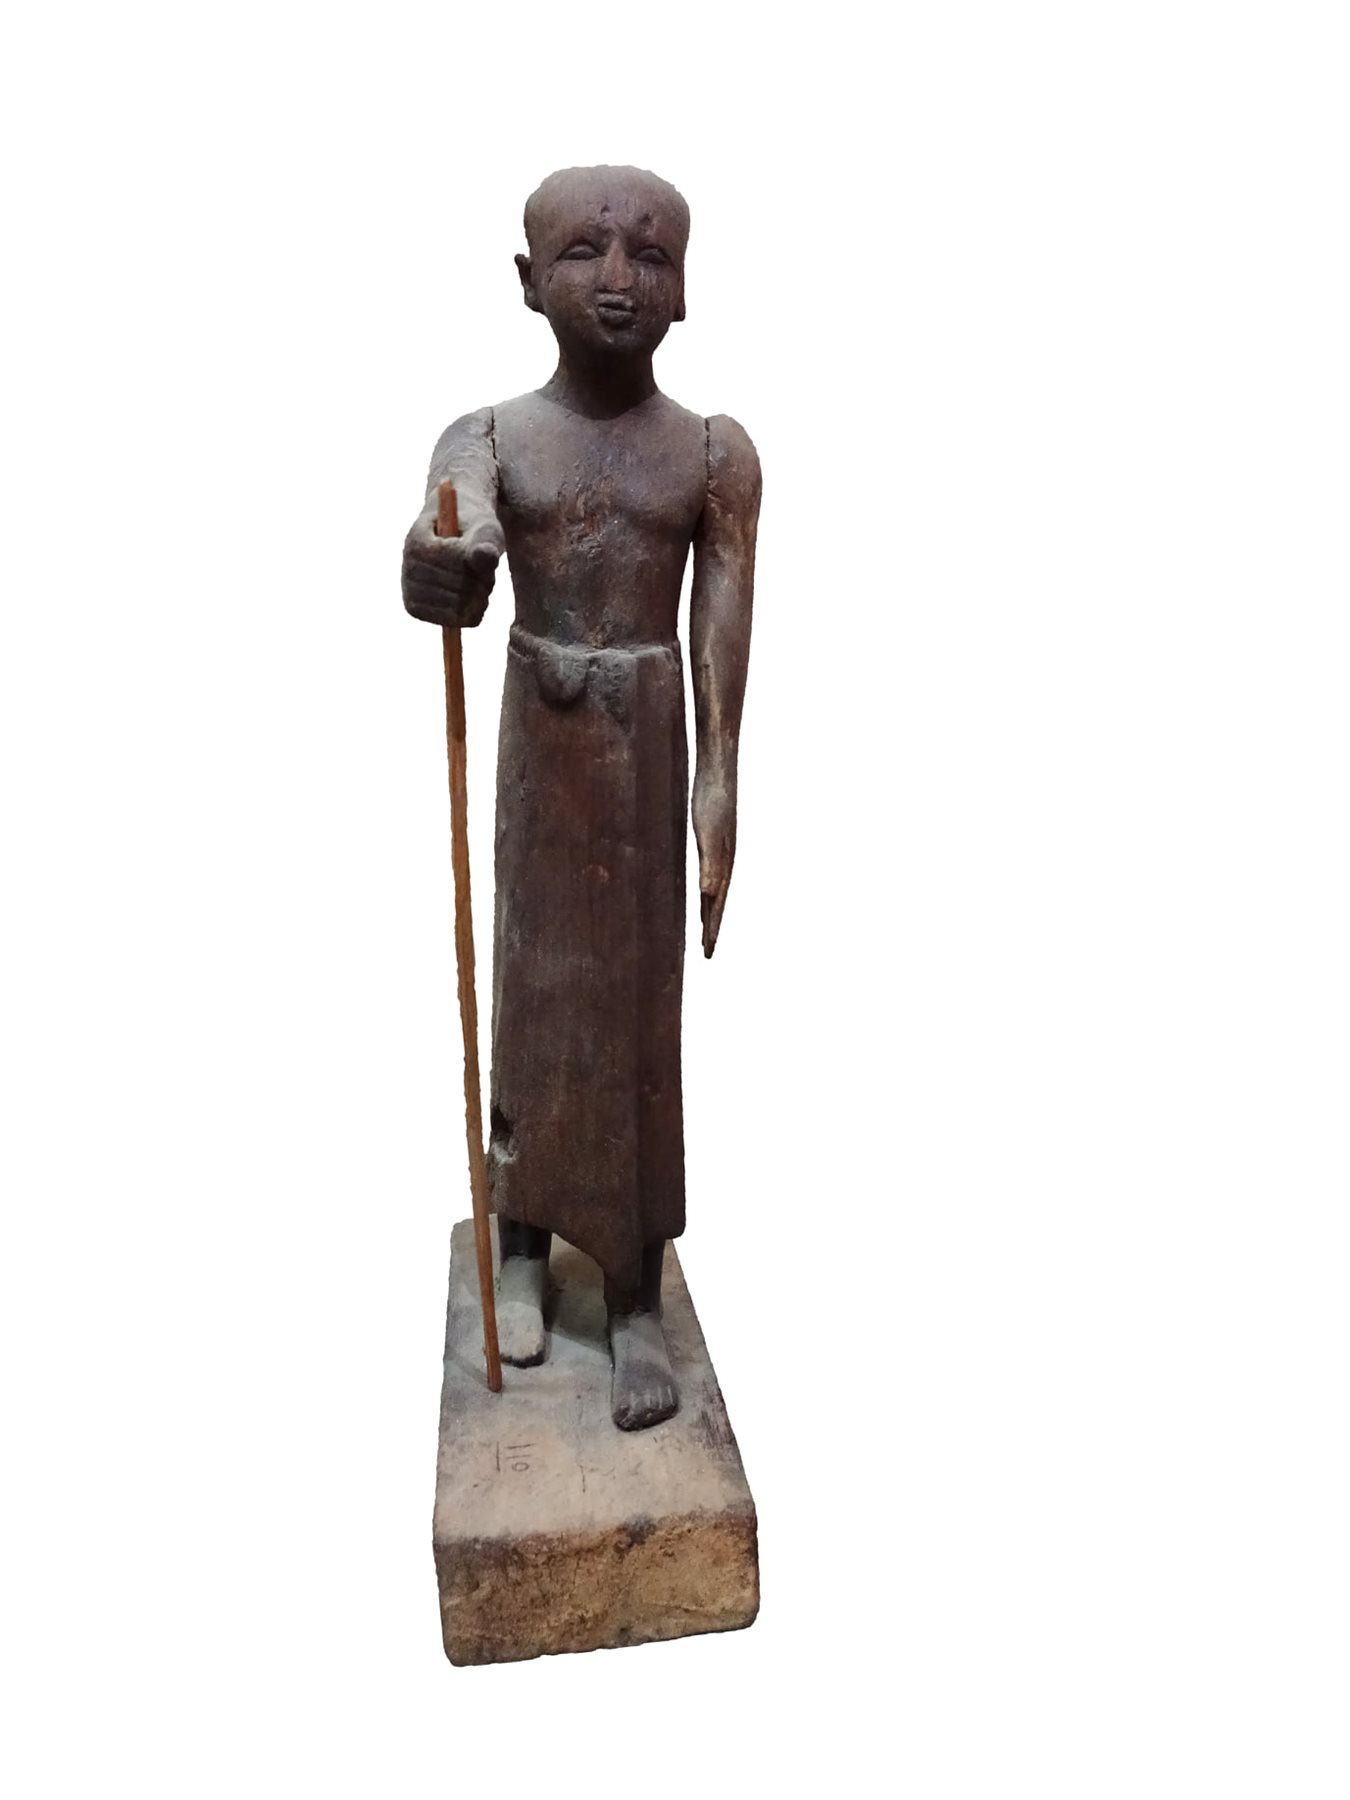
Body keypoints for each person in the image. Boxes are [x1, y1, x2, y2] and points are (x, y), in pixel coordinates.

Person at [402, 166, 759, 1430]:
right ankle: (520, 1244)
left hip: (646, 750)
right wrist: (441, 562)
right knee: (536, 990)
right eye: (584, 251)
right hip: (543, 752)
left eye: (649, 255)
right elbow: (445, 532)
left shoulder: (711, 455)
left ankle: (634, 1291)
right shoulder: (492, 435)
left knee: (638, 1019)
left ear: (685, 287)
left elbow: (723, 633)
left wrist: (719, 784)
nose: (618, 280)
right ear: (526, 280)